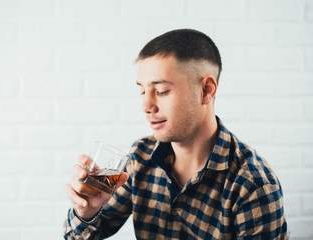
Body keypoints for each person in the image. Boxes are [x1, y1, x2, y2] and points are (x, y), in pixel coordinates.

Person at [63, 29, 287, 240]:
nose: (146, 105)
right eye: (142, 91)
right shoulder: (140, 156)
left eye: (161, 91)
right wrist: (87, 211)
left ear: (206, 90)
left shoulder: (252, 185)